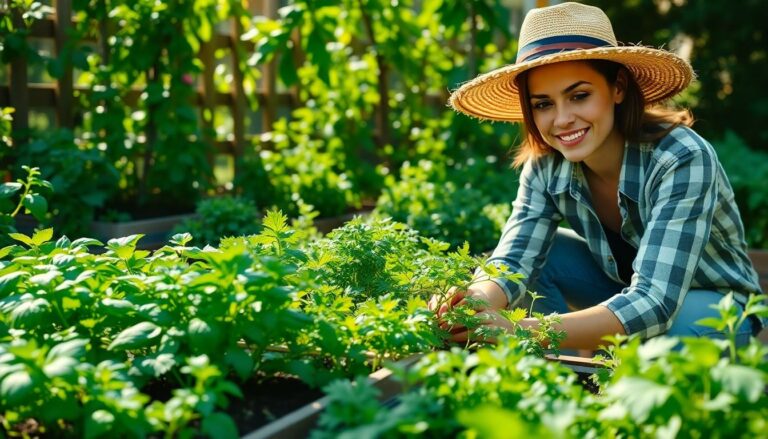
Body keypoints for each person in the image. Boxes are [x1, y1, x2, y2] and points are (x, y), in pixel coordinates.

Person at [435, 2, 765, 350]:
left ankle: (601, 371)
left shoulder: (681, 158)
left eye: (579, 96)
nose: (562, 120)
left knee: (663, 340)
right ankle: (563, 384)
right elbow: (512, 261)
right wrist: (473, 302)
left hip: (713, 305)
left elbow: (655, 303)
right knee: (540, 261)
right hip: (621, 292)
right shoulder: (547, 165)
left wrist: (522, 332)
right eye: (543, 104)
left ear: (618, 87)